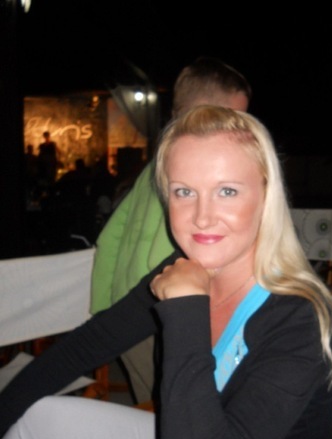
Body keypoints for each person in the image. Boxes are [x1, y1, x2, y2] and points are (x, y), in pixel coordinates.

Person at [0, 105, 332, 439]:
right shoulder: (184, 271)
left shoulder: (298, 317)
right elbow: (88, 346)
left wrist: (186, 309)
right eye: (184, 192)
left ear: (266, 197)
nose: (202, 217)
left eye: (227, 191)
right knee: (40, 424)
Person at [90, 57, 252, 403]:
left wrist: (103, 305)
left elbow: (109, 237)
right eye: (233, 119)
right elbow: (168, 257)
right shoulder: (181, 175)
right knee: (171, 407)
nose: (243, 132)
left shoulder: (155, 168)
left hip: (127, 308)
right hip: (156, 313)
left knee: (152, 405)